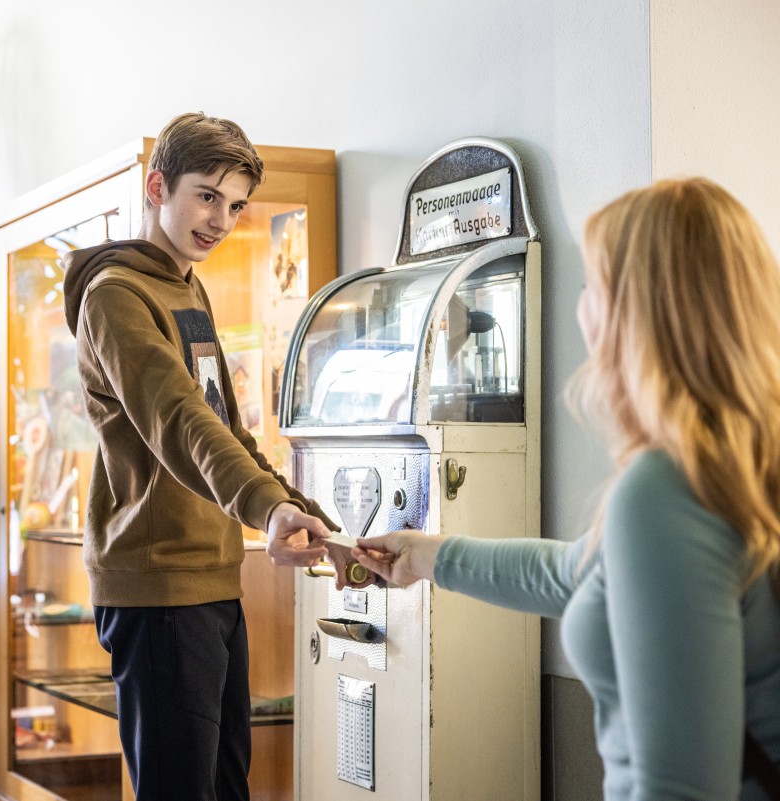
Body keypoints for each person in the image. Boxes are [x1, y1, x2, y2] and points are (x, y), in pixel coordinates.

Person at [352, 178, 780, 800]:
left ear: (635, 313)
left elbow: (678, 788)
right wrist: (426, 556)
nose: (584, 308)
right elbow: (584, 575)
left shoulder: (666, 490)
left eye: (594, 286)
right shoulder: (741, 462)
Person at [62, 111, 366, 801]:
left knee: (227, 787)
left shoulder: (187, 286)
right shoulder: (116, 295)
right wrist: (269, 509)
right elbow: (181, 421)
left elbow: (226, 428)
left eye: (235, 204)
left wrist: (312, 520)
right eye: (206, 195)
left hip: (213, 581)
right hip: (158, 588)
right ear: (156, 185)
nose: (220, 219)